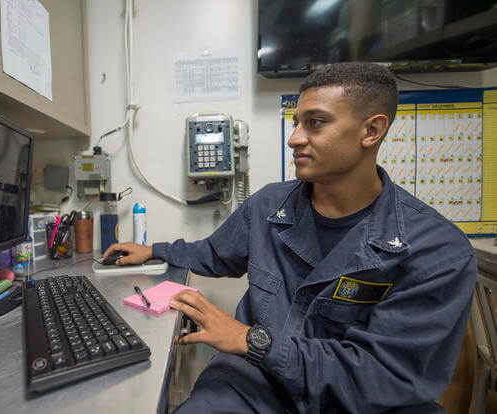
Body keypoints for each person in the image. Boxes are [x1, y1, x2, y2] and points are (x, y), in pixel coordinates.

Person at [104, 62, 477, 413]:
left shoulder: (437, 250)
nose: (295, 139)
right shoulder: (268, 204)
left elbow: (384, 376)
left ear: (371, 131)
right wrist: (152, 250)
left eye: (315, 123)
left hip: (361, 403)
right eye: (296, 123)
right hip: (254, 381)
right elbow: (214, 254)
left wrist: (249, 340)